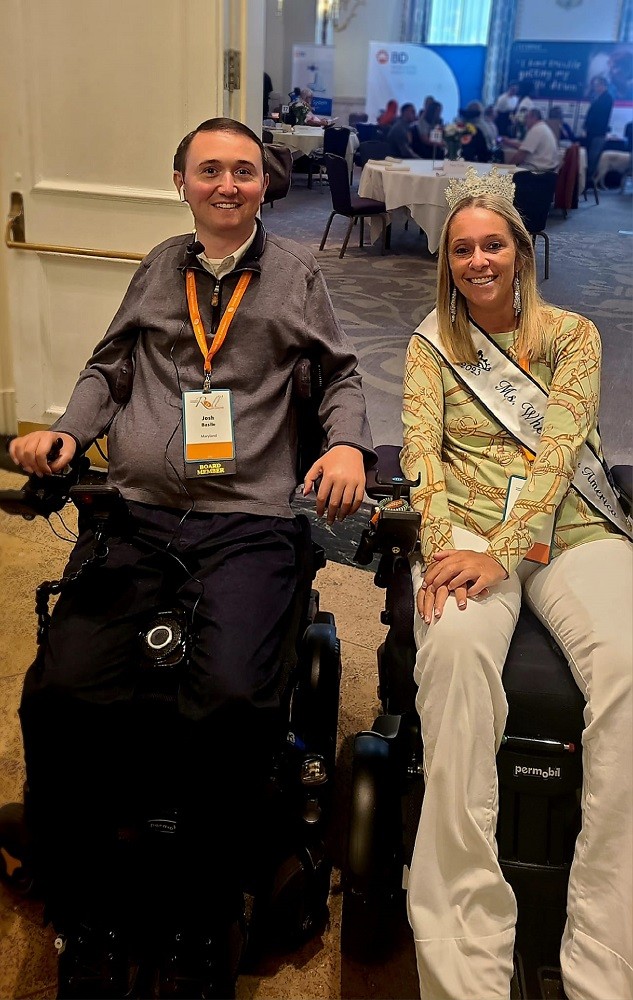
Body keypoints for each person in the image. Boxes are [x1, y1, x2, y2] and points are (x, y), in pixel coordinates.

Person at [9, 117, 375, 1000]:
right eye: (209, 170)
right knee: (63, 692)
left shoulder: (294, 275)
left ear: (264, 185)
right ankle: (87, 914)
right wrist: (66, 430)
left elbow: (342, 377)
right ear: (181, 182)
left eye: (243, 171)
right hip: (136, 515)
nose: (226, 184)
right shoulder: (156, 265)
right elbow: (110, 367)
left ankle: (201, 919)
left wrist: (347, 448)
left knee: (228, 702)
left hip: (247, 520)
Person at [401, 175, 632, 1000]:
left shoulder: (574, 334)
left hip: (566, 528)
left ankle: (606, 964)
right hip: (463, 532)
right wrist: (438, 551)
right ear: (447, 261)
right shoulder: (431, 344)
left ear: (520, 252)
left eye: (490, 244)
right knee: (455, 655)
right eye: (460, 248)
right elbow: (419, 460)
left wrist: (508, 548)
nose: (476, 259)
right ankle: (463, 966)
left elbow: (563, 449)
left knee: (629, 674)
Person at [503, 108, 560, 173]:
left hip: (538, 170)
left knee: (499, 175)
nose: (525, 121)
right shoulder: (543, 127)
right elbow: (524, 146)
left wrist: (506, 170)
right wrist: (509, 142)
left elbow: (521, 154)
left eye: (526, 118)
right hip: (547, 169)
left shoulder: (536, 130)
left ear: (533, 118)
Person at [583, 76, 614, 187]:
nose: (595, 87)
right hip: (592, 132)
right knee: (589, 156)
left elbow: (599, 116)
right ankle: (585, 179)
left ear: (603, 85)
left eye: (597, 85)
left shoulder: (607, 98)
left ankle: (588, 181)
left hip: (598, 132)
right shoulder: (598, 97)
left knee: (593, 157)